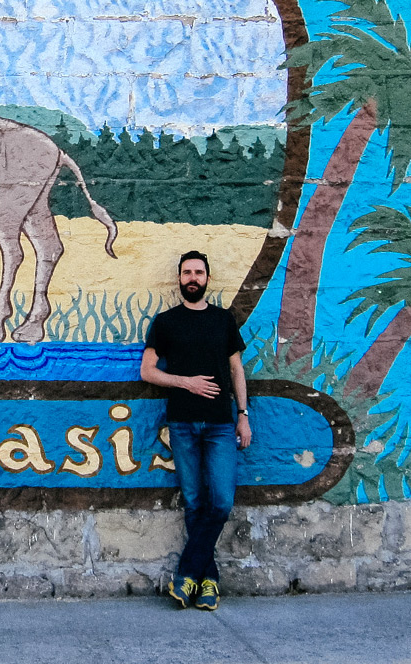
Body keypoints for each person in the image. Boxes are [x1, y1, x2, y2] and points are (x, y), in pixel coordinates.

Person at [140, 250, 251, 611]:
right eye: (187, 272)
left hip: (220, 425)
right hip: (182, 423)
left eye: (198, 272)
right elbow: (147, 371)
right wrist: (186, 382)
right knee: (193, 502)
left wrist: (243, 415)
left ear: (207, 278)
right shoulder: (166, 322)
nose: (192, 278)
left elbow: (236, 370)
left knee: (221, 502)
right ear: (179, 278)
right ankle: (208, 582)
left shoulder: (223, 320)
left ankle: (187, 572)